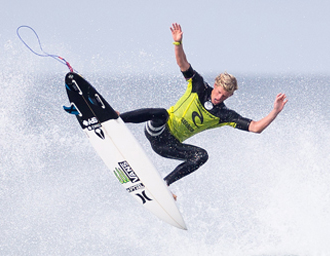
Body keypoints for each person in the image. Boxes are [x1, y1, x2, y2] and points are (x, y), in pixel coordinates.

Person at [117, 23, 288, 189]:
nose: (219, 98)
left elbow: (255, 127)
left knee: (202, 156)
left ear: (230, 96)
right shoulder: (198, 86)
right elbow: (182, 63)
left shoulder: (224, 115)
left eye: (225, 96)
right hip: (158, 129)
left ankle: (164, 184)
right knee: (161, 113)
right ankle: (116, 118)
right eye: (219, 92)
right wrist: (177, 43)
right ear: (215, 84)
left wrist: (275, 112)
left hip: (169, 146)